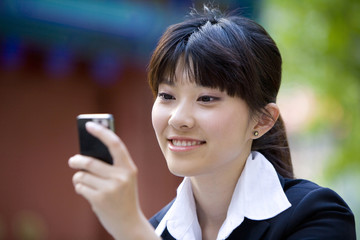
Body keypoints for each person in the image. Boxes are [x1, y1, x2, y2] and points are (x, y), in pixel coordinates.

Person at [68, 5, 356, 240]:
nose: (178, 118)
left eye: (206, 98)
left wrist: (131, 230)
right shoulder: (158, 230)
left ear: (263, 119)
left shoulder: (317, 215)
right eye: (167, 95)